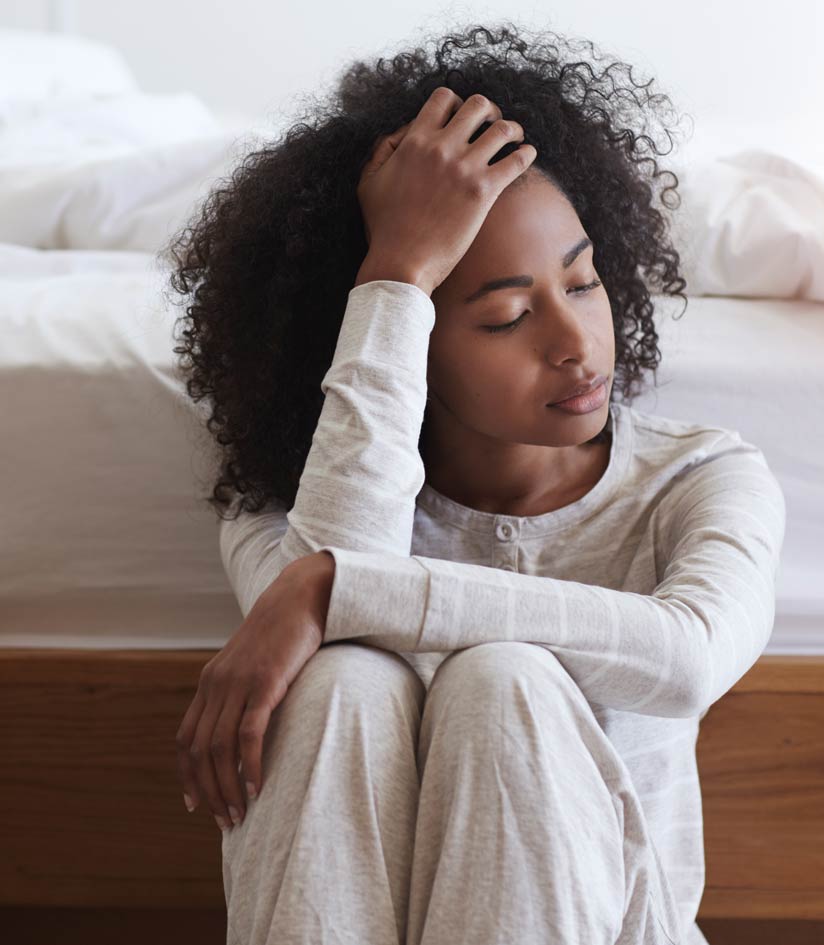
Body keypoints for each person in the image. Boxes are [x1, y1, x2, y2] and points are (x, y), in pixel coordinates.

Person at [165, 22, 786, 945]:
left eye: (582, 283)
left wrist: (340, 585)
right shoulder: (291, 511)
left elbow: (689, 657)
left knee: (506, 679)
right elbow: (337, 568)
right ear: (408, 338)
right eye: (504, 317)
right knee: (337, 682)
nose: (575, 344)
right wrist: (396, 273)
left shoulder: (698, 478)